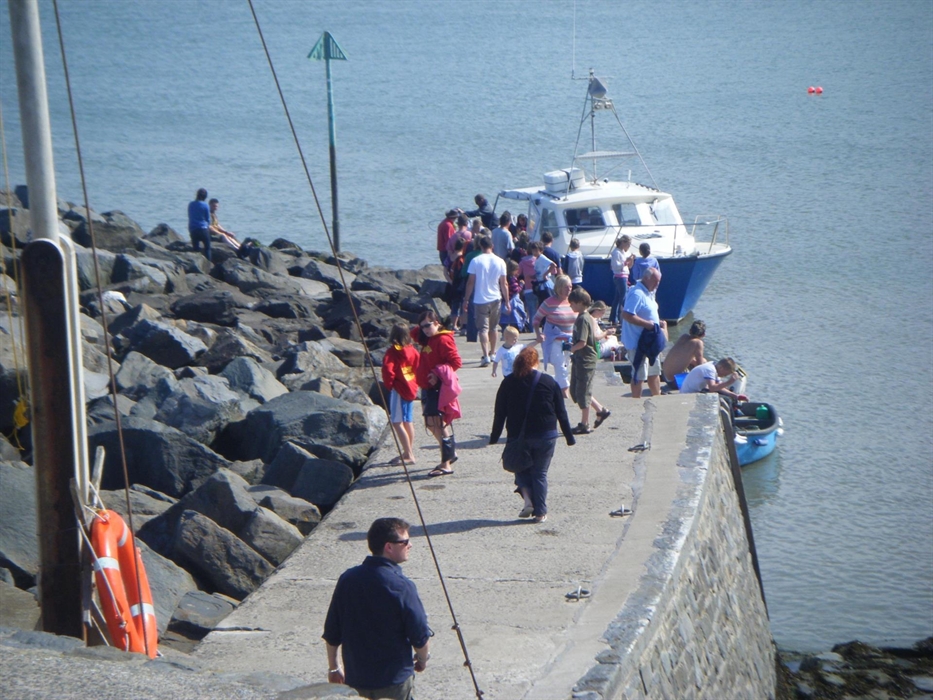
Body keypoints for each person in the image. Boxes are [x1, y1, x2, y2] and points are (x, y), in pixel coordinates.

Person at [323, 517, 432, 700]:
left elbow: (332, 630)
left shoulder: (348, 579)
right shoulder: (402, 586)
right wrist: (422, 659)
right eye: (405, 542)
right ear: (389, 547)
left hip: (357, 680)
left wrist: (334, 668)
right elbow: (419, 635)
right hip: (393, 681)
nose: (410, 545)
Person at [489, 346, 576, 523]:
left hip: (518, 435)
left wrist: (494, 436)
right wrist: (569, 436)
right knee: (540, 473)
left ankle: (528, 500)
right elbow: (561, 412)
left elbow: (500, 412)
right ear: (536, 362)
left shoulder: (508, 382)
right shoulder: (549, 382)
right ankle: (540, 513)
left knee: (519, 467)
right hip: (546, 435)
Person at [412, 311, 462, 477]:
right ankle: (449, 454)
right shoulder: (428, 338)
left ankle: (446, 463)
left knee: (439, 424)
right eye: (423, 326)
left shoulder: (442, 339)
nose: (425, 329)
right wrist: (421, 327)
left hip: (437, 389)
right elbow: (413, 333)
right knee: (433, 425)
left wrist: (437, 373)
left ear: (437, 323)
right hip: (427, 388)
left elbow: (455, 362)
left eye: (428, 325)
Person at [462, 236, 510, 368]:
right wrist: (507, 301)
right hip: (496, 297)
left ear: (480, 247)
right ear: (492, 246)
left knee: (483, 329)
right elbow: (504, 283)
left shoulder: (475, 261)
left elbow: (470, 282)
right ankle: (493, 352)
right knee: (494, 327)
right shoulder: (500, 261)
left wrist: (466, 299)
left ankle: (486, 355)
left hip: (480, 299)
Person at [568, 288, 610, 434]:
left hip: (585, 359)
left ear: (579, 303)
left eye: (572, 303)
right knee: (576, 390)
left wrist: (570, 349)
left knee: (583, 391)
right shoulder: (584, 317)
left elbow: (582, 342)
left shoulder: (583, 319)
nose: (570, 306)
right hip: (580, 358)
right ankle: (601, 410)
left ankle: (584, 424)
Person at [621, 268, 667, 398]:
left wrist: (658, 322)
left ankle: (657, 399)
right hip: (638, 342)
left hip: (651, 341)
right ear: (647, 278)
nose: (658, 284)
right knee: (639, 375)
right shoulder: (637, 293)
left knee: (654, 372)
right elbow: (627, 314)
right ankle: (636, 402)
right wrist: (648, 324)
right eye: (656, 281)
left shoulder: (649, 292)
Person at [382, 324, 420, 466]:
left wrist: (389, 384)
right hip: (411, 388)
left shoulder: (393, 352)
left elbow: (387, 369)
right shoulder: (412, 350)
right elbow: (418, 366)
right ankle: (407, 451)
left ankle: (409, 455)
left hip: (399, 389)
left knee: (397, 422)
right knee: (407, 421)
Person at [533, 274, 577, 397]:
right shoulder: (549, 303)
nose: (568, 289)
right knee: (560, 366)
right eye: (565, 287)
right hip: (554, 340)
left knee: (565, 366)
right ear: (558, 288)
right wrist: (538, 334)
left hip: (570, 340)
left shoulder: (574, 301)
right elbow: (536, 320)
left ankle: (551, 388)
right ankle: (565, 394)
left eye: (570, 286)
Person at [680, 357, 748, 401]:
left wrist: (734, 395)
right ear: (721, 368)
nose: (724, 376)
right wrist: (729, 382)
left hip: (696, 391)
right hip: (688, 394)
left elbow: (718, 386)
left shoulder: (714, 366)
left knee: (727, 398)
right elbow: (712, 388)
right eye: (725, 374)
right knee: (725, 400)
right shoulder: (710, 369)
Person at [662, 320, 707, 384]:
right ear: (703, 334)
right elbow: (700, 366)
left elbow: (681, 356)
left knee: (693, 361)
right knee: (704, 361)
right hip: (674, 382)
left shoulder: (684, 337)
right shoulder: (698, 343)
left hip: (664, 376)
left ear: (690, 331)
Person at [609, 235, 634, 325]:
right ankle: (622, 318)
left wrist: (631, 260)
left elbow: (629, 266)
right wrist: (625, 262)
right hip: (620, 276)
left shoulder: (623, 252)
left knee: (618, 298)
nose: (629, 246)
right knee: (624, 298)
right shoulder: (616, 253)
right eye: (628, 244)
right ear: (623, 243)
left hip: (624, 276)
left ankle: (614, 318)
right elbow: (614, 266)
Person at [518, 242, 541, 324]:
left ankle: (532, 328)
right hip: (538, 288)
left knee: (530, 311)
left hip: (528, 289)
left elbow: (517, 273)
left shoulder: (522, 262)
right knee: (539, 310)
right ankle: (538, 327)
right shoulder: (538, 260)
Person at [187, 188, 212, 261]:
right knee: (207, 248)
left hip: (193, 229)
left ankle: (196, 264)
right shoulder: (205, 205)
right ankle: (208, 265)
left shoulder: (191, 204)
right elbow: (207, 219)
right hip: (203, 229)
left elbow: (190, 216)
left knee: (196, 249)